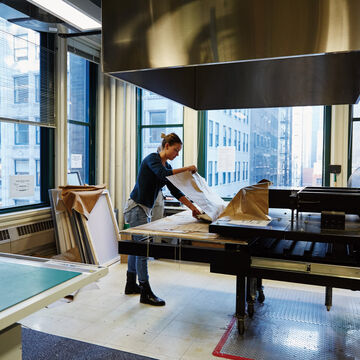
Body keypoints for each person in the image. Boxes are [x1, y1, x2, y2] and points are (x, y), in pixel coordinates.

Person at [123, 132, 201, 306]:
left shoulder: (167, 165)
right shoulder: (152, 159)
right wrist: (186, 168)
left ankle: (130, 284)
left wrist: (194, 208)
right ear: (167, 146)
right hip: (136, 208)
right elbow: (162, 174)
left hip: (142, 209)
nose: (177, 154)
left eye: (179, 151)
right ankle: (145, 291)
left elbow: (175, 191)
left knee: (136, 247)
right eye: (176, 150)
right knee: (142, 250)